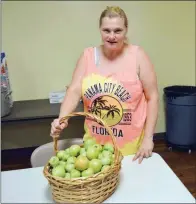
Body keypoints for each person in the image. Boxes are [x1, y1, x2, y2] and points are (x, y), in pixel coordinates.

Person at [50, 6, 159, 164]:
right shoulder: (88, 56)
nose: (112, 36)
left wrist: (148, 138)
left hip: (131, 149)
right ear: (100, 30)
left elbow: (153, 97)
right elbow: (74, 90)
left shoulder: (138, 56)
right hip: (95, 149)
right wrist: (62, 118)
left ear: (126, 30)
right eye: (106, 30)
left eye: (118, 30)